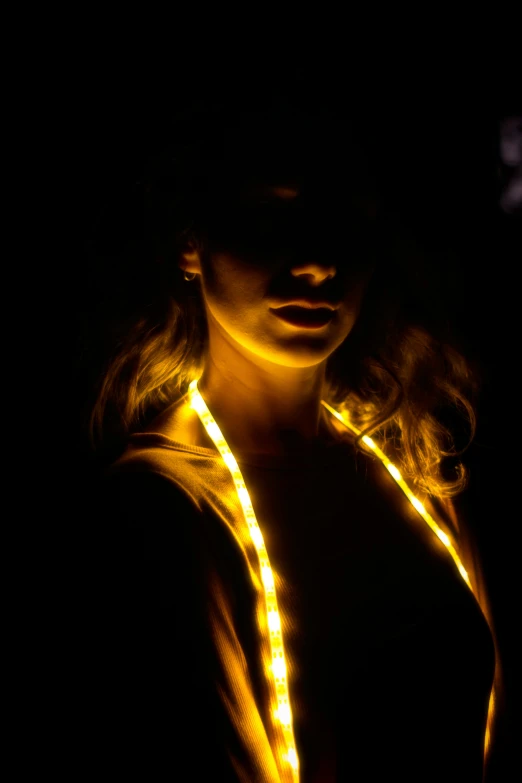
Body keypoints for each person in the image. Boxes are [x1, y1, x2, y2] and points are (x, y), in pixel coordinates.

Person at [81, 97, 504, 782]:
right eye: (272, 214)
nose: (316, 262)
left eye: (347, 219)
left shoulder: (416, 470)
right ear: (191, 240)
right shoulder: (160, 507)